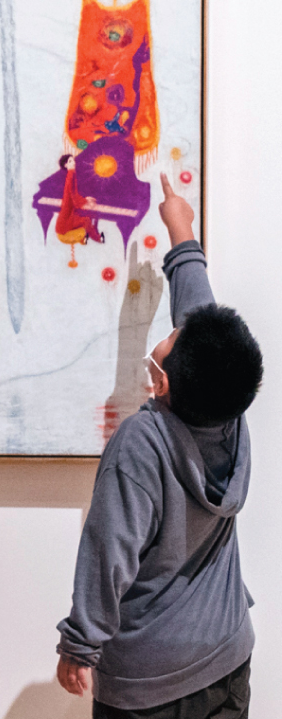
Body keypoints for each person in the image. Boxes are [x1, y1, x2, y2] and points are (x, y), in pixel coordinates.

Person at [56, 173, 263, 719]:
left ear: (161, 382)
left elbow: (109, 552)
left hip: (152, 684)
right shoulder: (231, 411)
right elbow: (201, 320)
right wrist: (182, 233)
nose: (175, 330)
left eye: (170, 341)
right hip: (227, 651)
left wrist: (80, 643)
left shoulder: (141, 444)